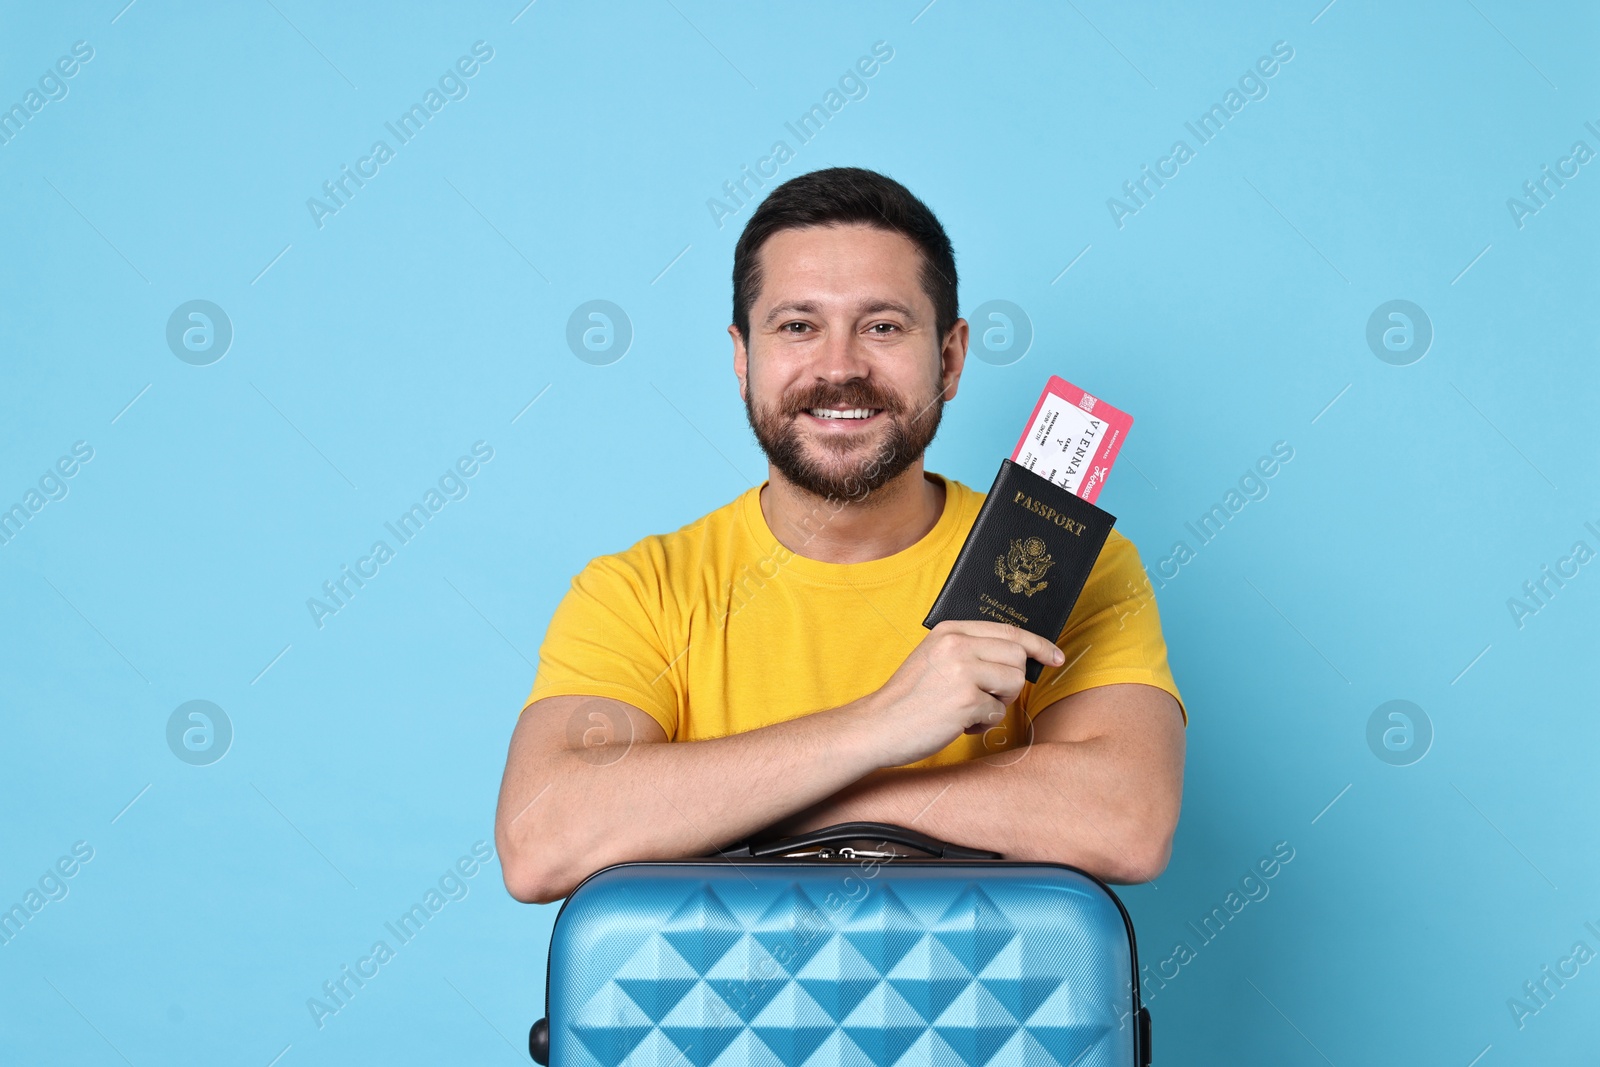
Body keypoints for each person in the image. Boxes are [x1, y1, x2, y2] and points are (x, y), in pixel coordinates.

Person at [494, 167, 1186, 905]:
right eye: (798, 326)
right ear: (742, 358)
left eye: (883, 326)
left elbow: (1127, 821)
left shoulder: (1078, 566)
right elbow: (541, 841)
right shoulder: (640, 592)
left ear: (949, 359)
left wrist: (804, 808)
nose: (839, 367)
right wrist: (883, 724)